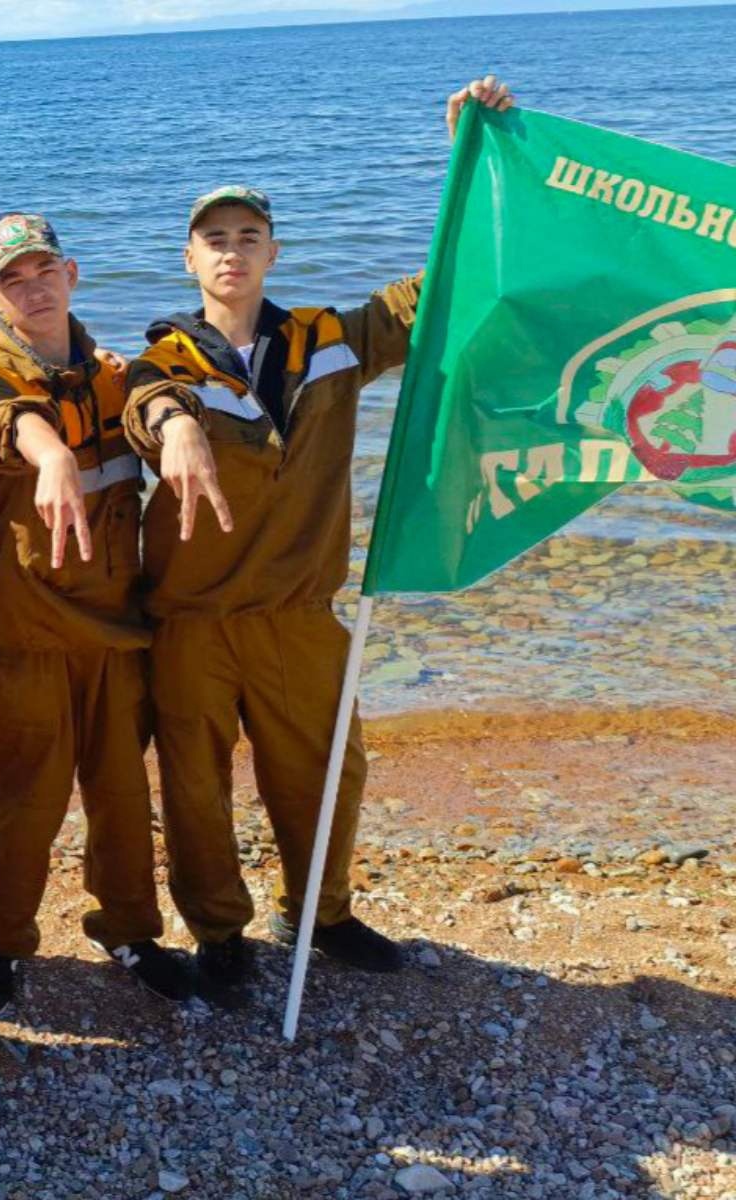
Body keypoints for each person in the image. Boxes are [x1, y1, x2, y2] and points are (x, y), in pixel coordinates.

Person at [122, 77, 516, 1007]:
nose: (232, 252)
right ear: (190, 258)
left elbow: (438, 297)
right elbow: (146, 406)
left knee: (330, 772)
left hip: (301, 614)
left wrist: (468, 160)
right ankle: (220, 931)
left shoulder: (330, 342)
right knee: (196, 790)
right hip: (193, 621)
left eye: (247, 237)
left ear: (272, 252)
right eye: (214, 239)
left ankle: (324, 915)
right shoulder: (163, 360)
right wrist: (174, 429)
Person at [0, 214, 191, 1017]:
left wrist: (178, 419)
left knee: (123, 796)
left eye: (44, 269)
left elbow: (160, 402)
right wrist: (48, 449)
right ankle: (0, 941)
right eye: (14, 279)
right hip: (31, 636)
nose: (34, 287)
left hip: (117, 632)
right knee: (20, 798)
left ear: (73, 274)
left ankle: (129, 930)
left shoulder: (115, 375)